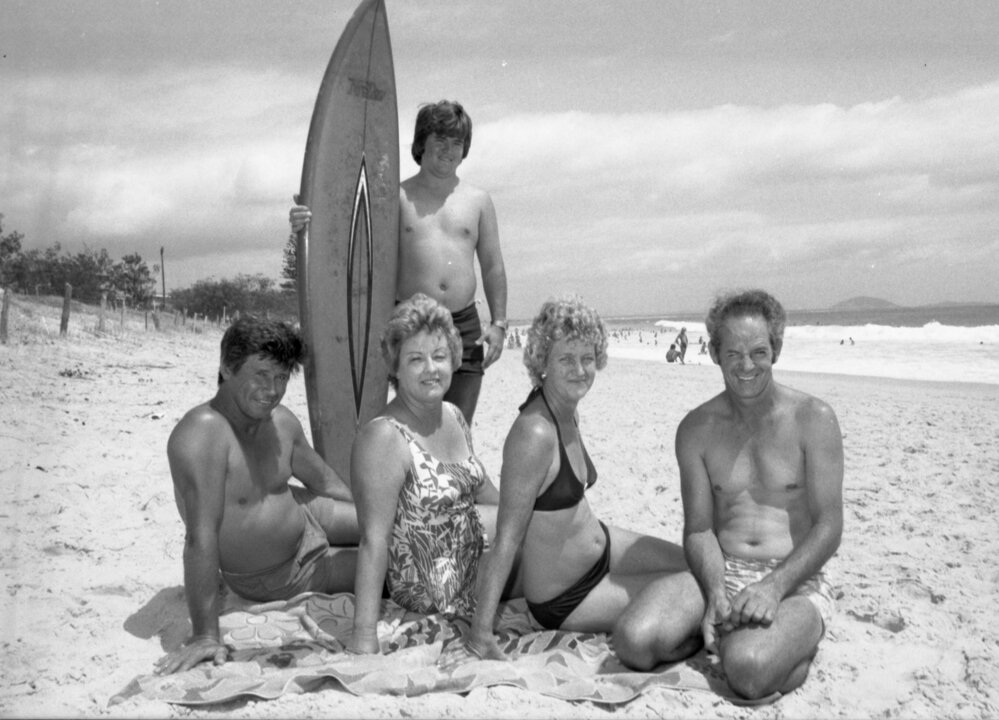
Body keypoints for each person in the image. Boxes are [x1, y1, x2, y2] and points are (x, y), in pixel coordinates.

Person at [467, 296, 702, 668]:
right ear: (542, 362)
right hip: (569, 595)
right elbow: (508, 539)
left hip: (603, 547)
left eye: (588, 358)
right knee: (696, 587)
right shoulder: (534, 434)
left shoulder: (566, 410)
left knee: (699, 565)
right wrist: (481, 633)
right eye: (566, 359)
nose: (580, 370)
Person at [155, 317, 359, 675]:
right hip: (282, 571)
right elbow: (199, 538)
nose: (273, 390)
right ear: (226, 368)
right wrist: (205, 635)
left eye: (281, 377)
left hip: (307, 513)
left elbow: (325, 482)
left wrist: (374, 513)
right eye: (261, 374)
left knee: (397, 522)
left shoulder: (281, 421)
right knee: (392, 563)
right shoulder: (202, 435)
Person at [290, 99, 508, 423]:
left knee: (458, 425)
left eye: (457, 143)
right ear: (421, 144)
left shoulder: (478, 200)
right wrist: (307, 223)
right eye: (440, 140)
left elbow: (492, 266)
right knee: (413, 420)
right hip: (410, 324)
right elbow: (350, 242)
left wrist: (499, 324)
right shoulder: (394, 196)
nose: (449, 150)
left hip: (464, 324)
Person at [674, 289, 843, 702]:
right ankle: (737, 638)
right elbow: (698, 529)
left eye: (758, 352)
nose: (746, 365)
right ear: (714, 353)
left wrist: (773, 587)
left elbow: (830, 525)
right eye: (733, 353)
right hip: (722, 569)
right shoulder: (696, 428)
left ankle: (784, 648)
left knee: (748, 670)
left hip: (795, 577)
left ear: (777, 350)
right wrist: (715, 592)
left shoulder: (813, 419)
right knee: (636, 641)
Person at [348, 293, 520, 655]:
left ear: (453, 360)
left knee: (555, 533)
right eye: (416, 359)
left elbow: (483, 489)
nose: (431, 368)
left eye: (439, 356)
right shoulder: (384, 437)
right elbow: (373, 540)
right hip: (433, 585)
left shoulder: (454, 415)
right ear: (394, 366)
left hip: (475, 557)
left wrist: (525, 517)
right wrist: (365, 636)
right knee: (562, 552)